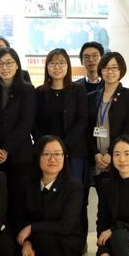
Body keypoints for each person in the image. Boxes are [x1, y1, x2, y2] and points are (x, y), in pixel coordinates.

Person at [13, 136, 85, 256]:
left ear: (64, 157)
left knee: (43, 237)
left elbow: (66, 226)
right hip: (38, 239)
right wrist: (26, 242)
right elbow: (19, 217)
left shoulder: (73, 187)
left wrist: (32, 228)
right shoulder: (26, 184)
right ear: (37, 157)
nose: (53, 159)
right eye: (46, 154)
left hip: (66, 242)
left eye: (58, 154)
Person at [33, 48, 89, 237]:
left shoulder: (78, 90)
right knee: (50, 197)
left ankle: (78, 238)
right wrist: (47, 148)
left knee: (76, 196)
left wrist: (63, 148)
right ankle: (51, 236)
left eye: (61, 63)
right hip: (47, 154)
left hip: (74, 153)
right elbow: (34, 123)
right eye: (53, 63)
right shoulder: (39, 92)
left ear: (68, 66)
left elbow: (82, 120)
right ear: (47, 66)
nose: (57, 67)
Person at [0, 47, 35, 225]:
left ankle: (20, 238)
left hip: (20, 155)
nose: (5, 67)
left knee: (19, 200)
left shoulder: (27, 90)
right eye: (0, 63)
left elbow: (26, 123)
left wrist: (7, 149)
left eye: (9, 63)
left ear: (17, 65)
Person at [88, 52, 129, 180]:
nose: (110, 71)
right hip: (97, 158)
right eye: (106, 67)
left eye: (114, 67)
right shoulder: (91, 97)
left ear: (121, 70)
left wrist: (111, 153)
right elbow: (87, 129)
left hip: (119, 157)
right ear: (101, 70)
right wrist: (95, 154)